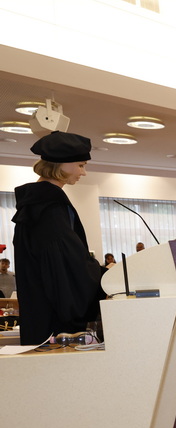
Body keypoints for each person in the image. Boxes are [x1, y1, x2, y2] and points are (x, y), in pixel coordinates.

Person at [12, 131, 102, 344]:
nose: (83, 172)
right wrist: (105, 276)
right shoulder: (50, 209)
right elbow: (68, 265)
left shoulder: (35, 204)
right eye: (81, 165)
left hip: (38, 313)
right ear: (62, 164)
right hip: (55, 324)